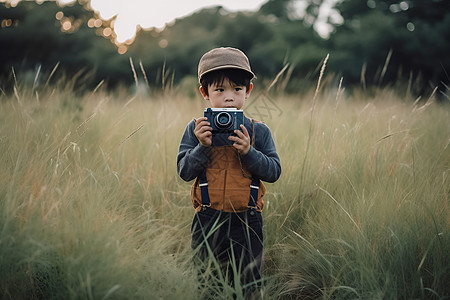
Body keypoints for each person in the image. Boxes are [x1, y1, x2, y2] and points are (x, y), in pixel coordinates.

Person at [177, 47, 281, 298]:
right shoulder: (197, 128)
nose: (229, 97)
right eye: (219, 90)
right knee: (207, 281)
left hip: (248, 220)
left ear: (248, 91)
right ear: (205, 93)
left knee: (248, 284)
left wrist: (249, 151)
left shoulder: (259, 131)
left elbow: (274, 171)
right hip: (207, 218)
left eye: (237, 89)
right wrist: (202, 146)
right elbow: (184, 171)